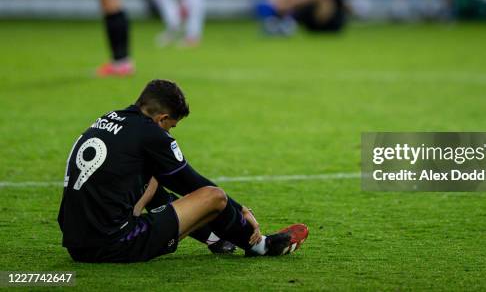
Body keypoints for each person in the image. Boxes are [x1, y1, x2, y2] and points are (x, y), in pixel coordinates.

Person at [58, 79, 308, 262]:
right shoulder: (152, 134)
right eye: (171, 126)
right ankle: (259, 246)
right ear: (161, 118)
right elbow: (192, 183)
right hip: (114, 243)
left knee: (154, 175)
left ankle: (214, 239)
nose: (169, 132)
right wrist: (241, 208)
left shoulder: (110, 117)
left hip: (77, 243)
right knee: (214, 197)